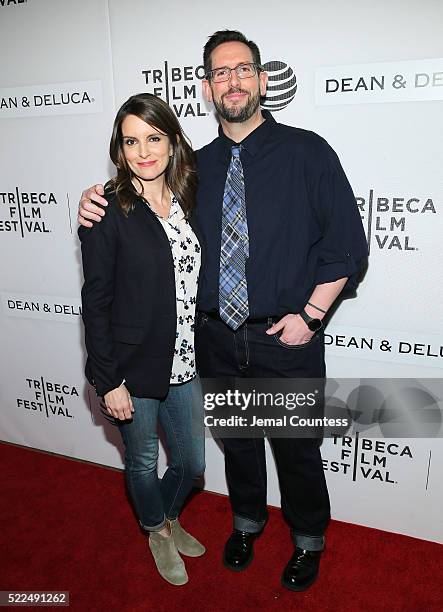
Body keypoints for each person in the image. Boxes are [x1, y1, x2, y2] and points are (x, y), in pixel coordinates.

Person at [78, 30, 368, 592]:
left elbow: (348, 247)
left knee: (297, 451)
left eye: (242, 69)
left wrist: (309, 317)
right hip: (212, 337)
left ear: (261, 80)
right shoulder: (193, 168)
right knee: (237, 444)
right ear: (208, 89)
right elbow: (142, 208)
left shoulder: (309, 152)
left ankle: (308, 537)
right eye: (219, 72)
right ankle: (247, 522)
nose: (231, 80)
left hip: (285, 337)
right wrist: (91, 200)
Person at [79, 93, 206, 587]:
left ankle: (168, 515)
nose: (143, 151)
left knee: (193, 462)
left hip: (185, 362)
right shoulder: (107, 210)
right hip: (132, 367)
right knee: (144, 461)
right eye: (131, 141)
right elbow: (96, 301)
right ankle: (155, 529)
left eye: (153, 138)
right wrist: (107, 379)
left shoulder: (187, 198)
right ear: (119, 148)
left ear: (172, 143)